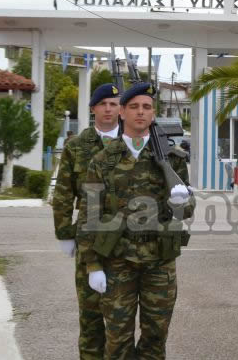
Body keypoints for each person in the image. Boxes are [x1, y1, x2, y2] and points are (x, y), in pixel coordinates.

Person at [77, 81, 194, 360]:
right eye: (134, 107)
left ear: (153, 114)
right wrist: (93, 266)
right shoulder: (103, 159)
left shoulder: (171, 158)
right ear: (122, 113)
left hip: (160, 262)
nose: (140, 112)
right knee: (117, 341)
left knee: (156, 338)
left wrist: (181, 203)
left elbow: (186, 210)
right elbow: (88, 216)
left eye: (146, 107)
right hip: (118, 262)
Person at [51, 82, 121, 360]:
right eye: (102, 104)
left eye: (113, 104)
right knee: (91, 315)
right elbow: (63, 192)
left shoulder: (131, 143)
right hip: (88, 237)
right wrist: (64, 233)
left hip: (123, 240)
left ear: (120, 109)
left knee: (121, 320)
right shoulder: (77, 146)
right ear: (93, 109)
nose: (108, 109)